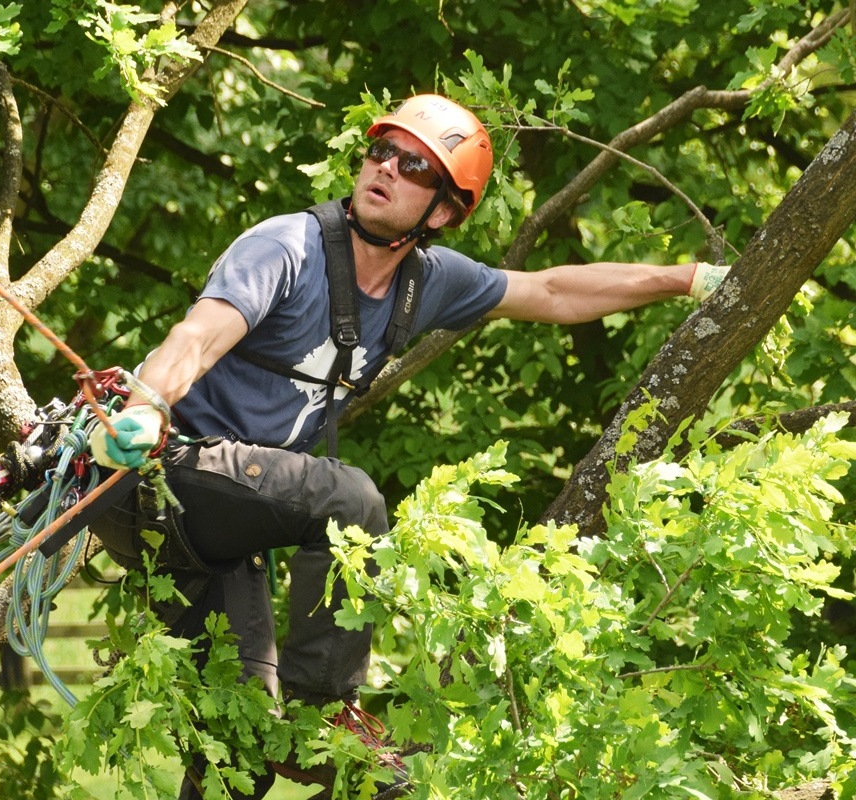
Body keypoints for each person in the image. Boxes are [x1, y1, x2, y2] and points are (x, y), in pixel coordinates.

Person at [85, 94, 728, 797]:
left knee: (241, 738)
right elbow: (200, 333)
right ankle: (325, 711)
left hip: (223, 524)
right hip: (159, 472)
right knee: (349, 498)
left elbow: (549, 291)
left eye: (415, 164)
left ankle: (313, 740)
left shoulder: (428, 282)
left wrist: (686, 280)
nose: (385, 167)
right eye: (380, 152)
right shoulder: (287, 247)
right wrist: (146, 406)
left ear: (445, 210)